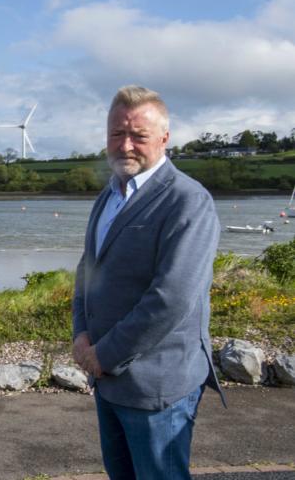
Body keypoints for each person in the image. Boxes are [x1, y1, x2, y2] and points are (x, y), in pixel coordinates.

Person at [71, 86, 224, 479]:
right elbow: (88, 269)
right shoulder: (109, 196)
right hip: (107, 379)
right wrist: (81, 334)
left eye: (138, 136)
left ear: (164, 139)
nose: (125, 146)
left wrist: (104, 354)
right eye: (116, 134)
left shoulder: (188, 202)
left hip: (157, 389)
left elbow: (171, 298)